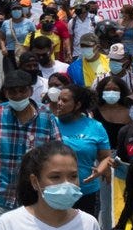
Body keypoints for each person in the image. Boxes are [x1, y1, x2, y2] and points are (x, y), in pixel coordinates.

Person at [0, 69, 61, 220]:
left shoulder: (47, 116)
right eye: (12, 92)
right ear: (6, 93)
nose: (17, 96)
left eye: (22, 91)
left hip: (37, 197)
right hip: (2, 195)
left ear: (30, 90)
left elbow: (57, 153)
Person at [48, 80, 115, 221]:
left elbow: (106, 157)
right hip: (54, 192)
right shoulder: (49, 123)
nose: (59, 103)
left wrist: (100, 170)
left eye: (64, 100)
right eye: (58, 99)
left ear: (77, 105)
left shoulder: (95, 127)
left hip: (86, 192)